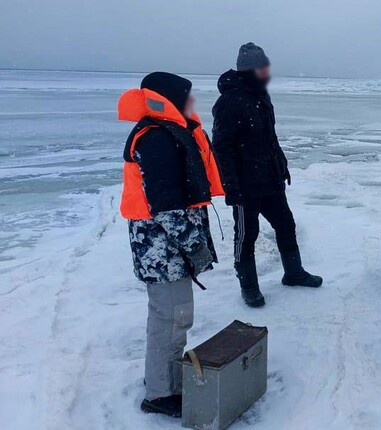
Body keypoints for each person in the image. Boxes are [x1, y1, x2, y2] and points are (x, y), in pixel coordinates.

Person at [117, 72, 224, 417]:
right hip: (163, 250)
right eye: (187, 96)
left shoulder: (166, 134)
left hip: (166, 249)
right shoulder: (158, 140)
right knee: (172, 318)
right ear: (169, 98)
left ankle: (162, 379)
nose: (193, 102)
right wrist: (194, 246)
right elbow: (166, 207)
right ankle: (162, 393)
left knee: (171, 317)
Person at [212, 42, 322, 309]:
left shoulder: (262, 97)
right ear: (250, 70)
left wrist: (281, 167)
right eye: (263, 67)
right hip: (245, 186)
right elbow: (222, 149)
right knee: (246, 236)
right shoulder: (229, 102)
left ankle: (293, 273)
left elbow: (270, 139)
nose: (267, 72)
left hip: (271, 180)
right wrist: (231, 187)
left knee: (286, 225)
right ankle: (249, 286)